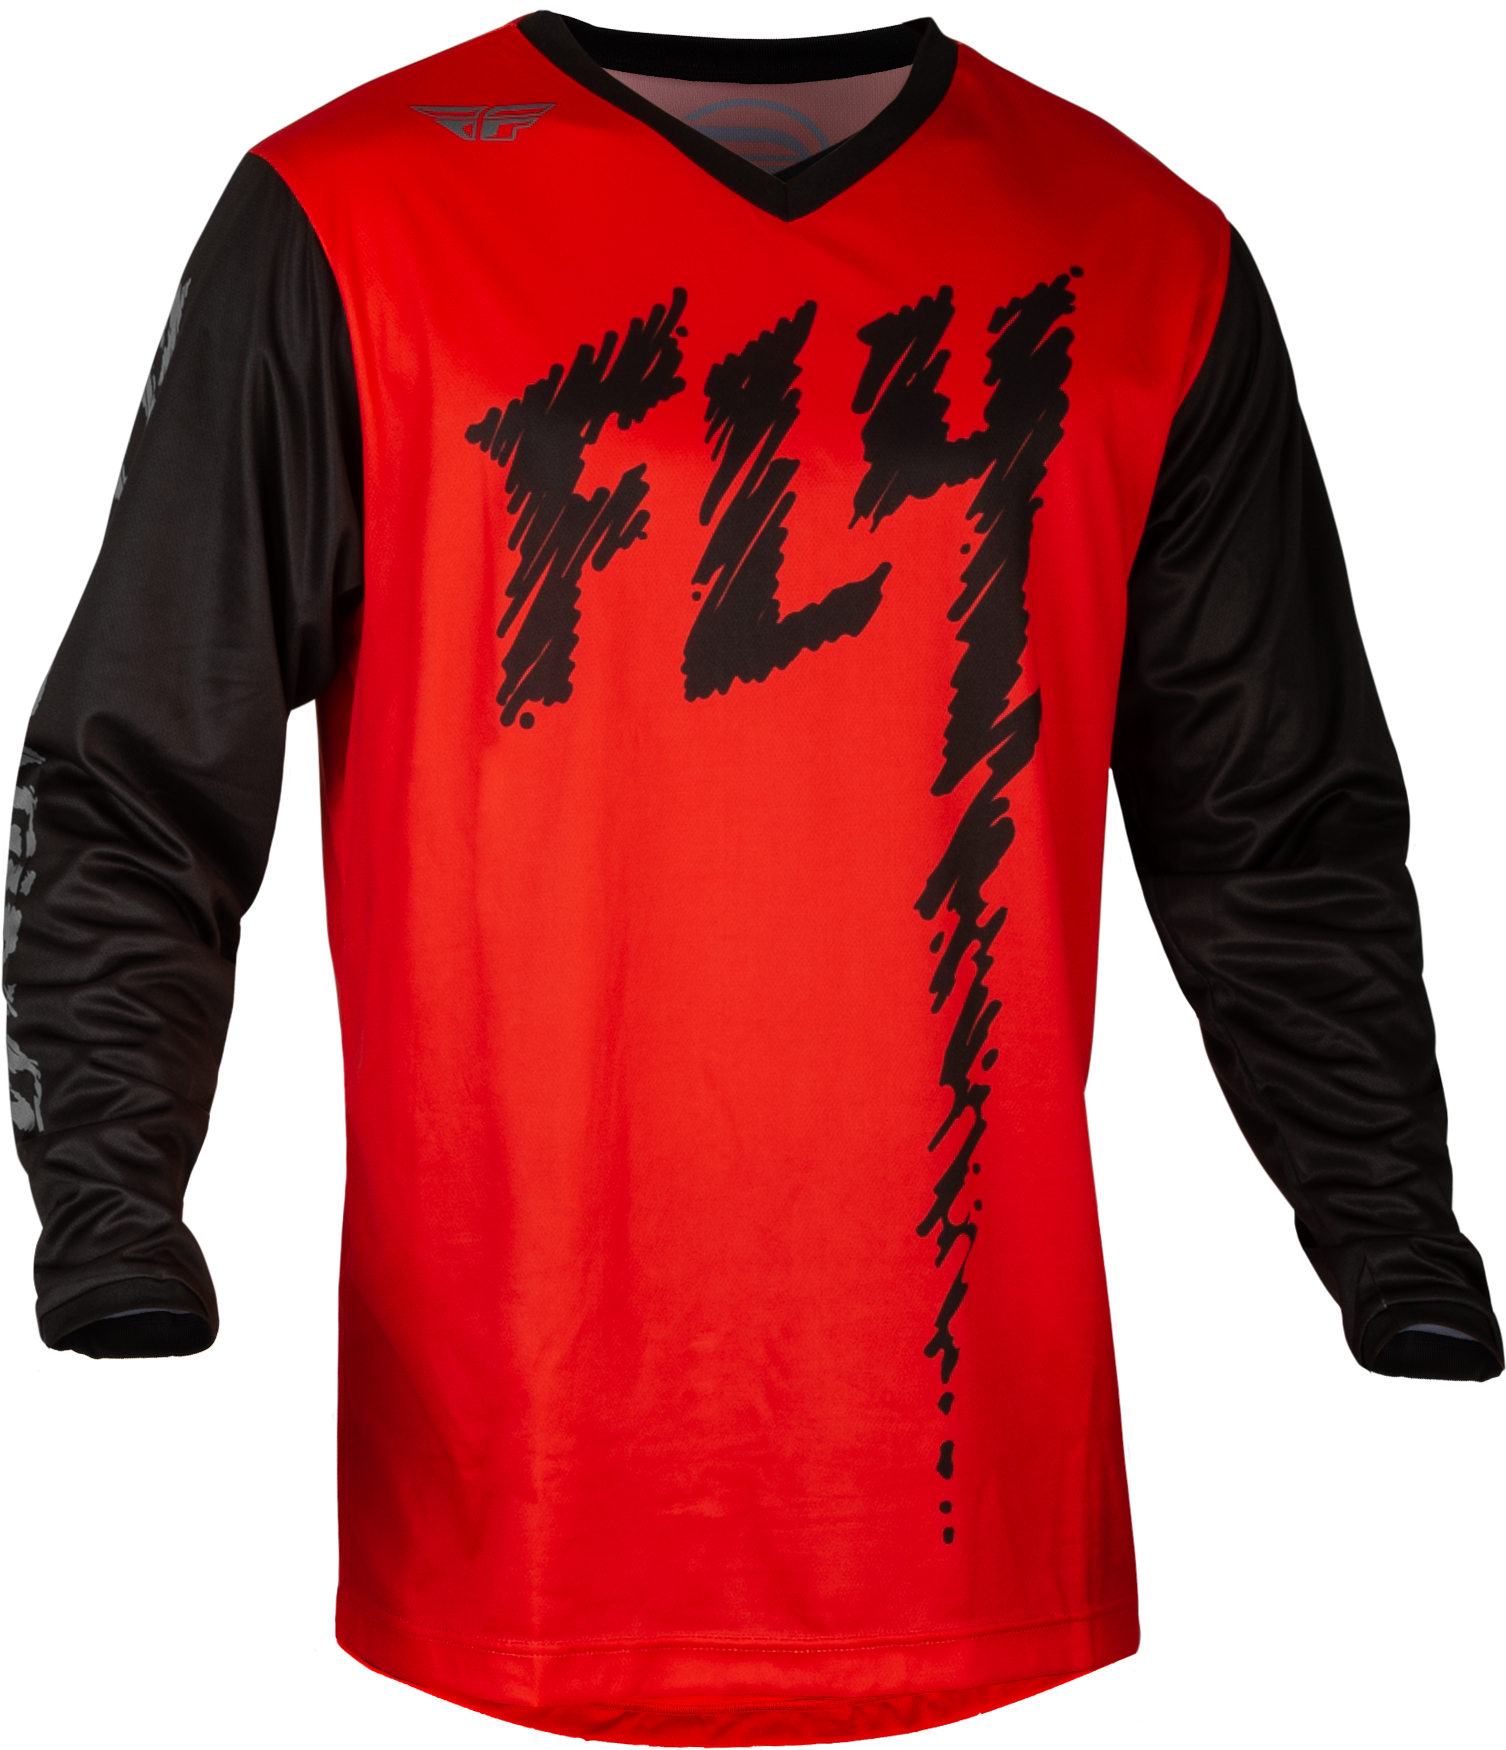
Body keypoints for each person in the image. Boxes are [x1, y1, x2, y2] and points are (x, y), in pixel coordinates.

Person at [4, 8, 1499, 1739]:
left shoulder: (1144, 252)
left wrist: (1390, 1228)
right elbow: (147, 764)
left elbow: (1272, 817)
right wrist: (113, 1204)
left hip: (969, 1501)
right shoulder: (348, 216)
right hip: (504, 1506)